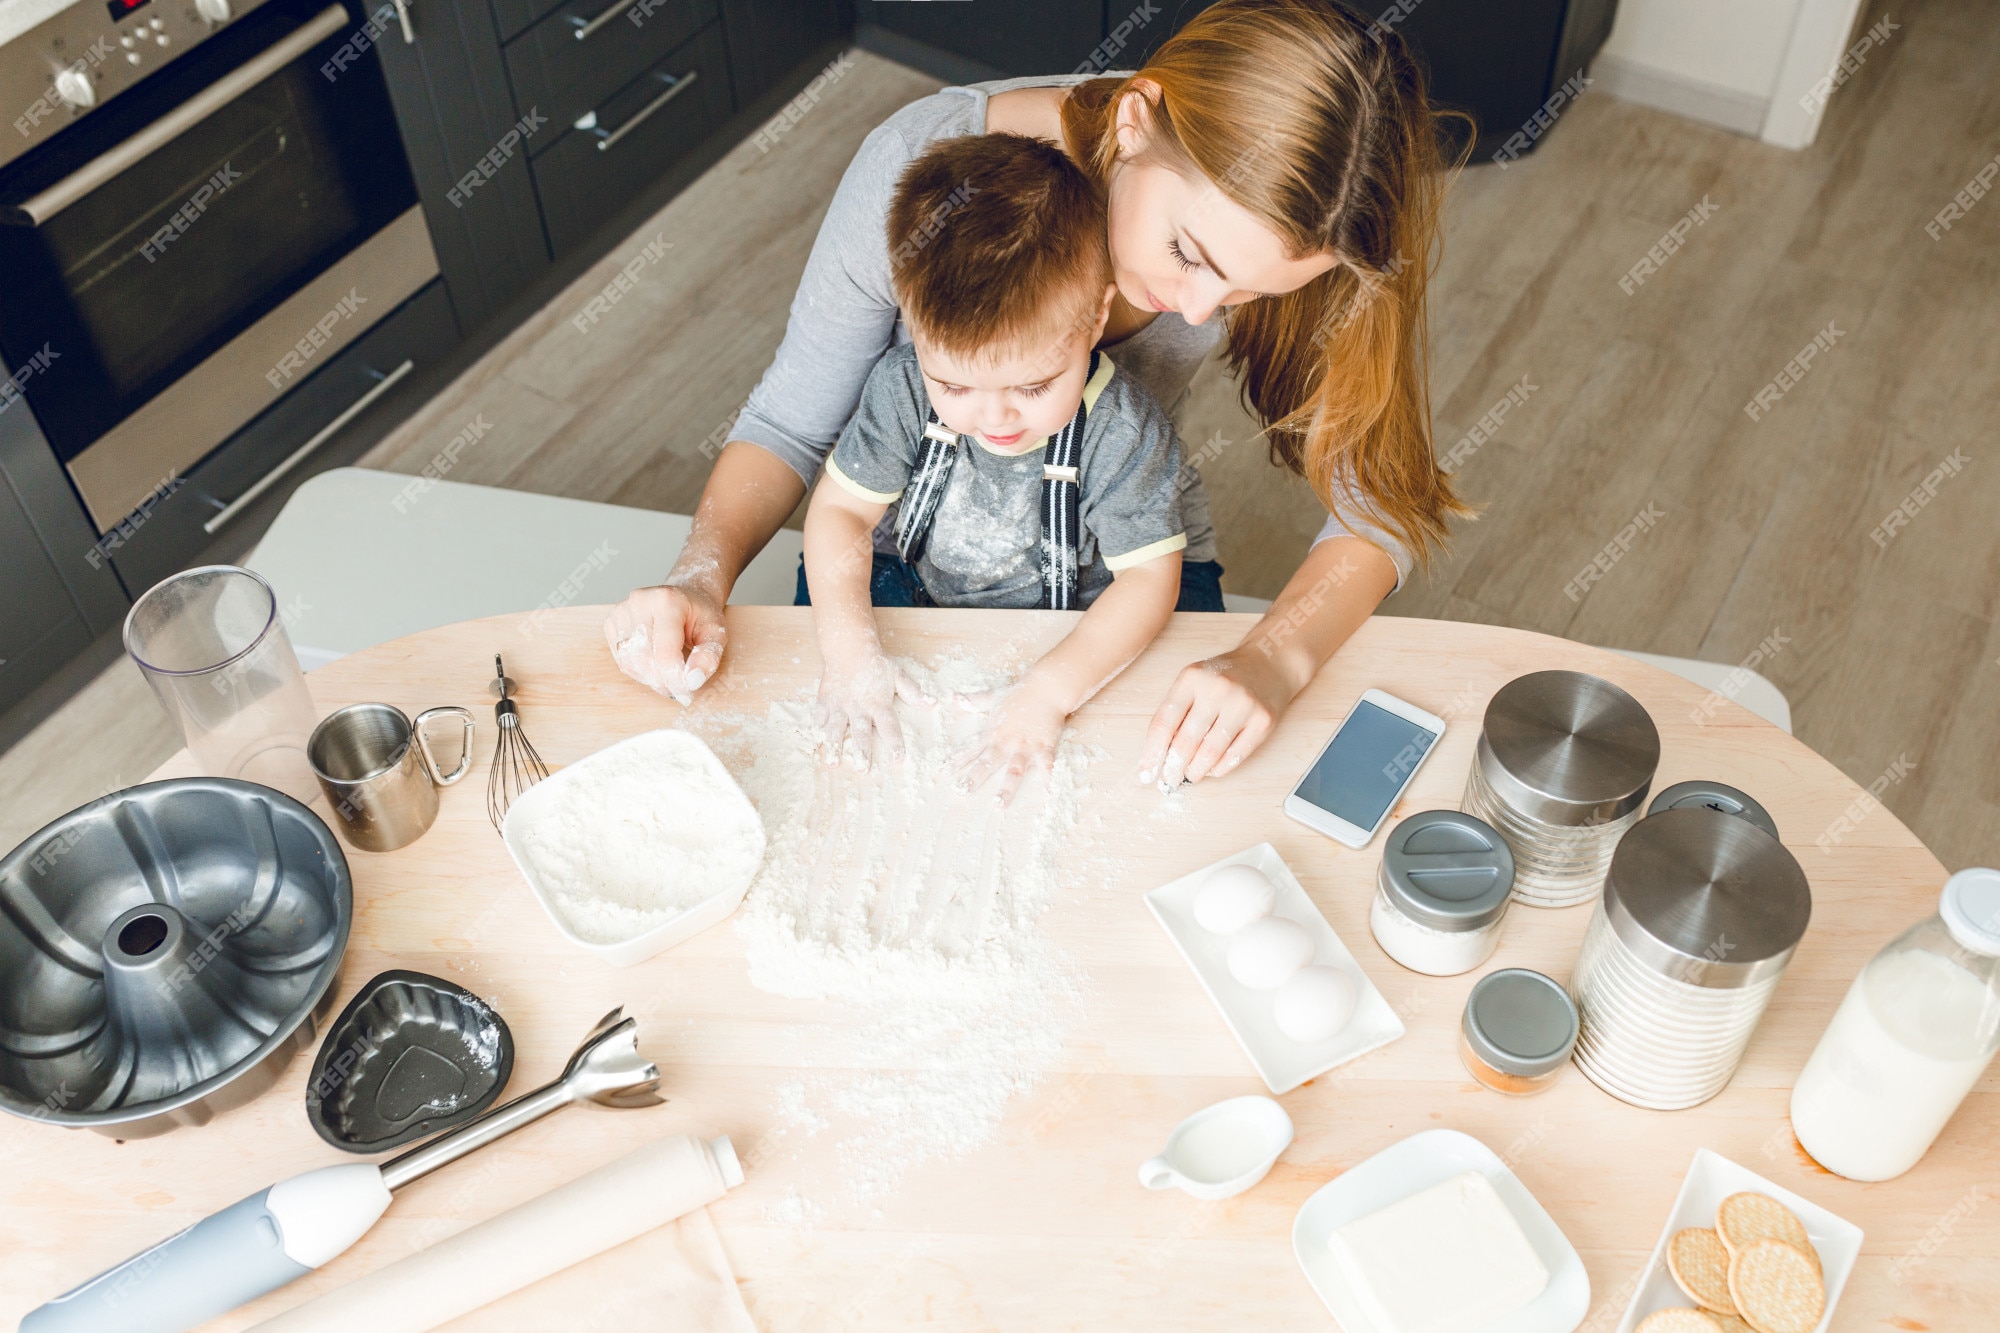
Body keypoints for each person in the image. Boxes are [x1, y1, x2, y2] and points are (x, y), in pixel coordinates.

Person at [604, 0, 1465, 789]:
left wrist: (1275, 659)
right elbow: (793, 420)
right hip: (904, 563)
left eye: (1248, 296)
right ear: (1135, 123)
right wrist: (702, 579)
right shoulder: (924, 173)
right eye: (1190, 254)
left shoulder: (1315, 229)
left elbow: (1378, 499)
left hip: (1102, 566)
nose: (1202, 312)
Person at [805, 133, 1189, 801]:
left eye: (1034, 387)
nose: (995, 419)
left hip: (1079, 613)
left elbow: (1150, 578)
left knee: (1143, 737)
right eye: (953, 389)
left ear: (1096, 316)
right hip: (922, 586)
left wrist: (1049, 691)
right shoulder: (901, 387)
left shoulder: (1121, 430)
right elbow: (840, 513)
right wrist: (849, 653)